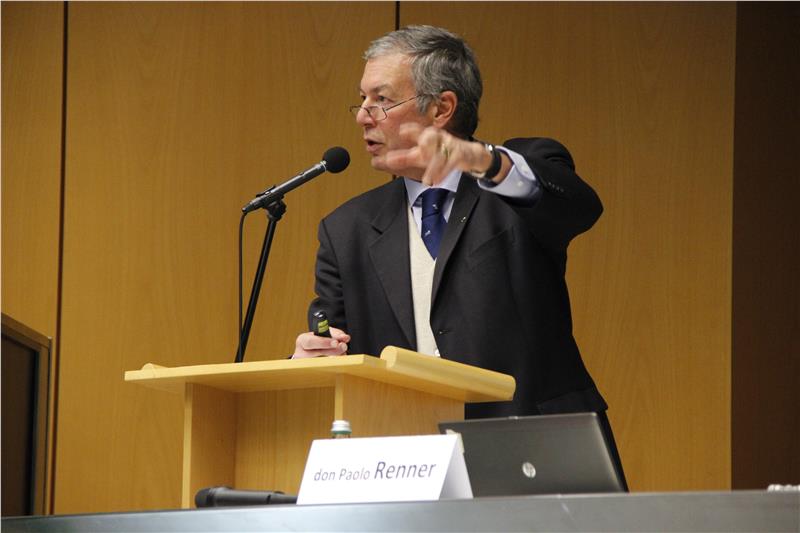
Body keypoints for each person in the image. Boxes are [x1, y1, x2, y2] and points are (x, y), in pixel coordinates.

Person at [292, 25, 616, 451]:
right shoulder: (346, 229)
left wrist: (479, 161)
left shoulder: (512, 182)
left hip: (537, 446)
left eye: (382, 100)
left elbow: (580, 207)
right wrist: (310, 358)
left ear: (442, 108)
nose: (363, 115)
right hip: (409, 453)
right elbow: (336, 346)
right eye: (363, 99)